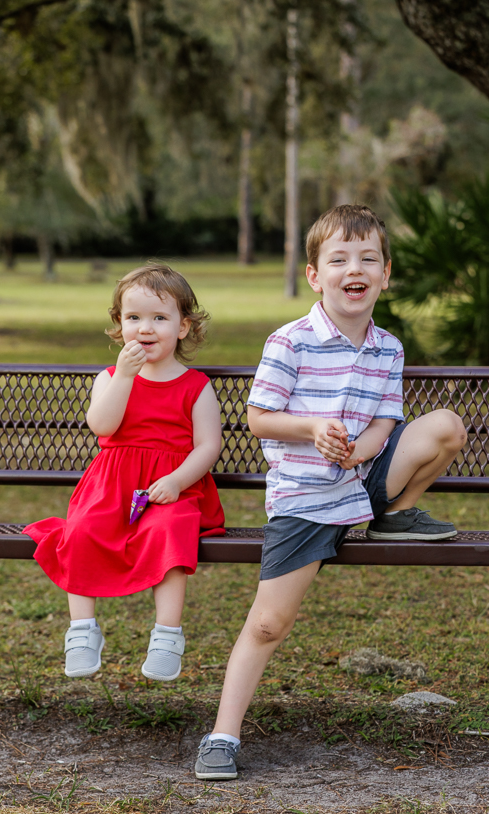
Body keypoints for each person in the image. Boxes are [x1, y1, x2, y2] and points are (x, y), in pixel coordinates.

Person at [194, 204, 466, 780]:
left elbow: (387, 423)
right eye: (338, 259)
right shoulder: (290, 341)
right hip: (306, 497)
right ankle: (222, 734)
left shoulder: (387, 347)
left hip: (363, 480)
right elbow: (261, 417)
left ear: (385, 274)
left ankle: (396, 512)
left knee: (446, 426)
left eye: (368, 258)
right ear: (316, 275)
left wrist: (359, 451)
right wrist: (315, 430)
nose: (354, 268)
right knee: (268, 624)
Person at [24, 264, 224, 681]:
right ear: (120, 325)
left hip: (169, 489)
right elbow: (103, 426)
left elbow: (209, 446)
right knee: (80, 532)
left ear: (183, 326)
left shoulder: (194, 386)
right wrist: (126, 378)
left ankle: (167, 635)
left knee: (168, 534)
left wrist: (177, 481)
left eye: (159, 318)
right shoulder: (111, 378)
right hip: (111, 486)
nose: (145, 328)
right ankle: (82, 630)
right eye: (134, 318)